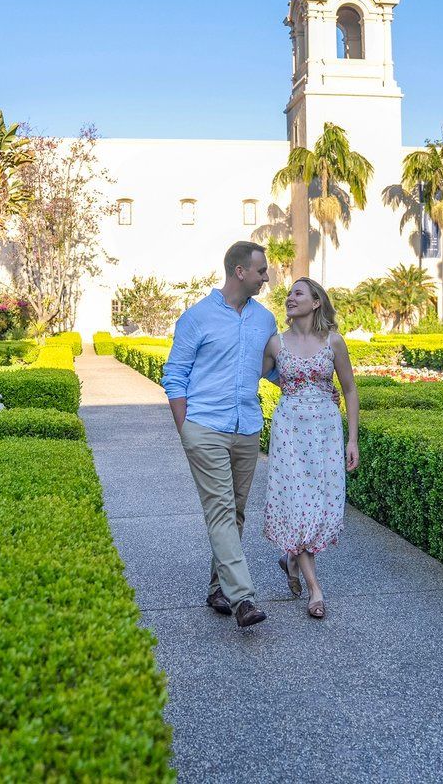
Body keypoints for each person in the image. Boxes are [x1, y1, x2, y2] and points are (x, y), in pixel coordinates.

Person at [161, 241, 276, 629]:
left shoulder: (265, 320)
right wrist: (186, 430)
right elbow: (174, 376)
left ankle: (217, 589)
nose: (266, 277)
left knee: (236, 513)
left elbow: (273, 370)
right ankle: (242, 597)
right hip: (205, 428)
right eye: (261, 270)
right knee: (222, 510)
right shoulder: (197, 318)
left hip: (247, 427)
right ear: (239, 272)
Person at [260, 277, 360, 619]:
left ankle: (291, 559)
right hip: (289, 430)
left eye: (298, 293)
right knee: (297, 504)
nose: (290, 298)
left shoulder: (334, 342)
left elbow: (349, 390)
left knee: (319, 504)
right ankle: (315, 590)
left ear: (316, 302)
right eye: (288, 294)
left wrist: (352, 439)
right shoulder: (275, 343)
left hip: (326, 433)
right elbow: (252, 375)